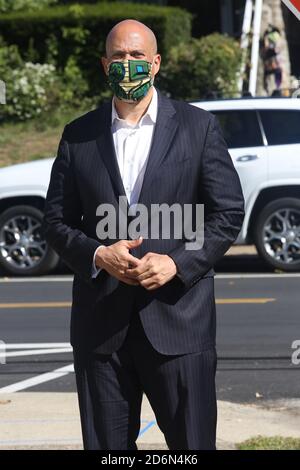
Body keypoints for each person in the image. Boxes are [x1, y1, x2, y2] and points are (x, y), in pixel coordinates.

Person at [42, 19, 245, 450]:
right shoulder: (78, 135)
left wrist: (177, 262)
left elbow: (227, 213)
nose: (127, 65)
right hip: (101, 333)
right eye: (118, 56)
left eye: (137, 56)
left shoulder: (198, 127)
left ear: (156, 63)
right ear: (104, 64)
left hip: (180, 325)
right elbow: (55, 221)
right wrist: (98, 255)